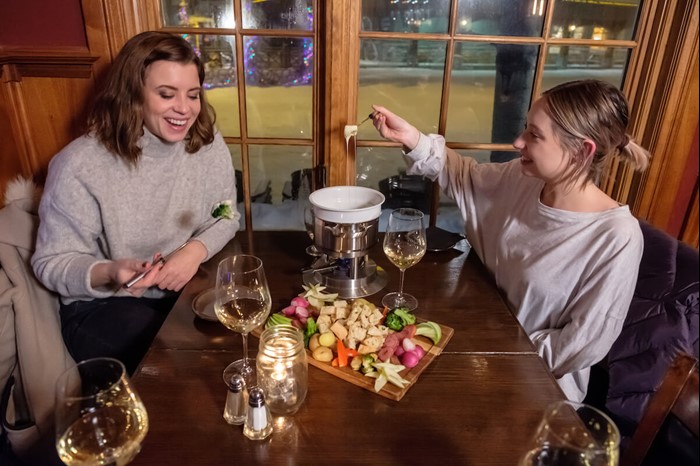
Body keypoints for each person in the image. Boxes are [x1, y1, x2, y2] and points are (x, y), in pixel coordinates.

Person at [371, 79, 650, 401]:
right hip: (476, 349)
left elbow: (580, 345)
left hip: (532, 387)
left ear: (582, 150)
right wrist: (411, 138)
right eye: (525, 128)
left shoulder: (616, 238)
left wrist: (494, 357)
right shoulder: (522, 179)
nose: (519, 142)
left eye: (535, 135)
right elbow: (464, 175)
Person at [32, 31, 240, 374]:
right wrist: (111, 271)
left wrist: (194, 251)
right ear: (133, 94)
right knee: (181, 367)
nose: (184, 109)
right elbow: (50, 262)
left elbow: (226, 214)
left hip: (180, 293)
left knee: (237, 345)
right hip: (102, 307)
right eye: (166, 94)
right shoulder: (79, 165)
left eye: (193, 95)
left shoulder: (205, 141)